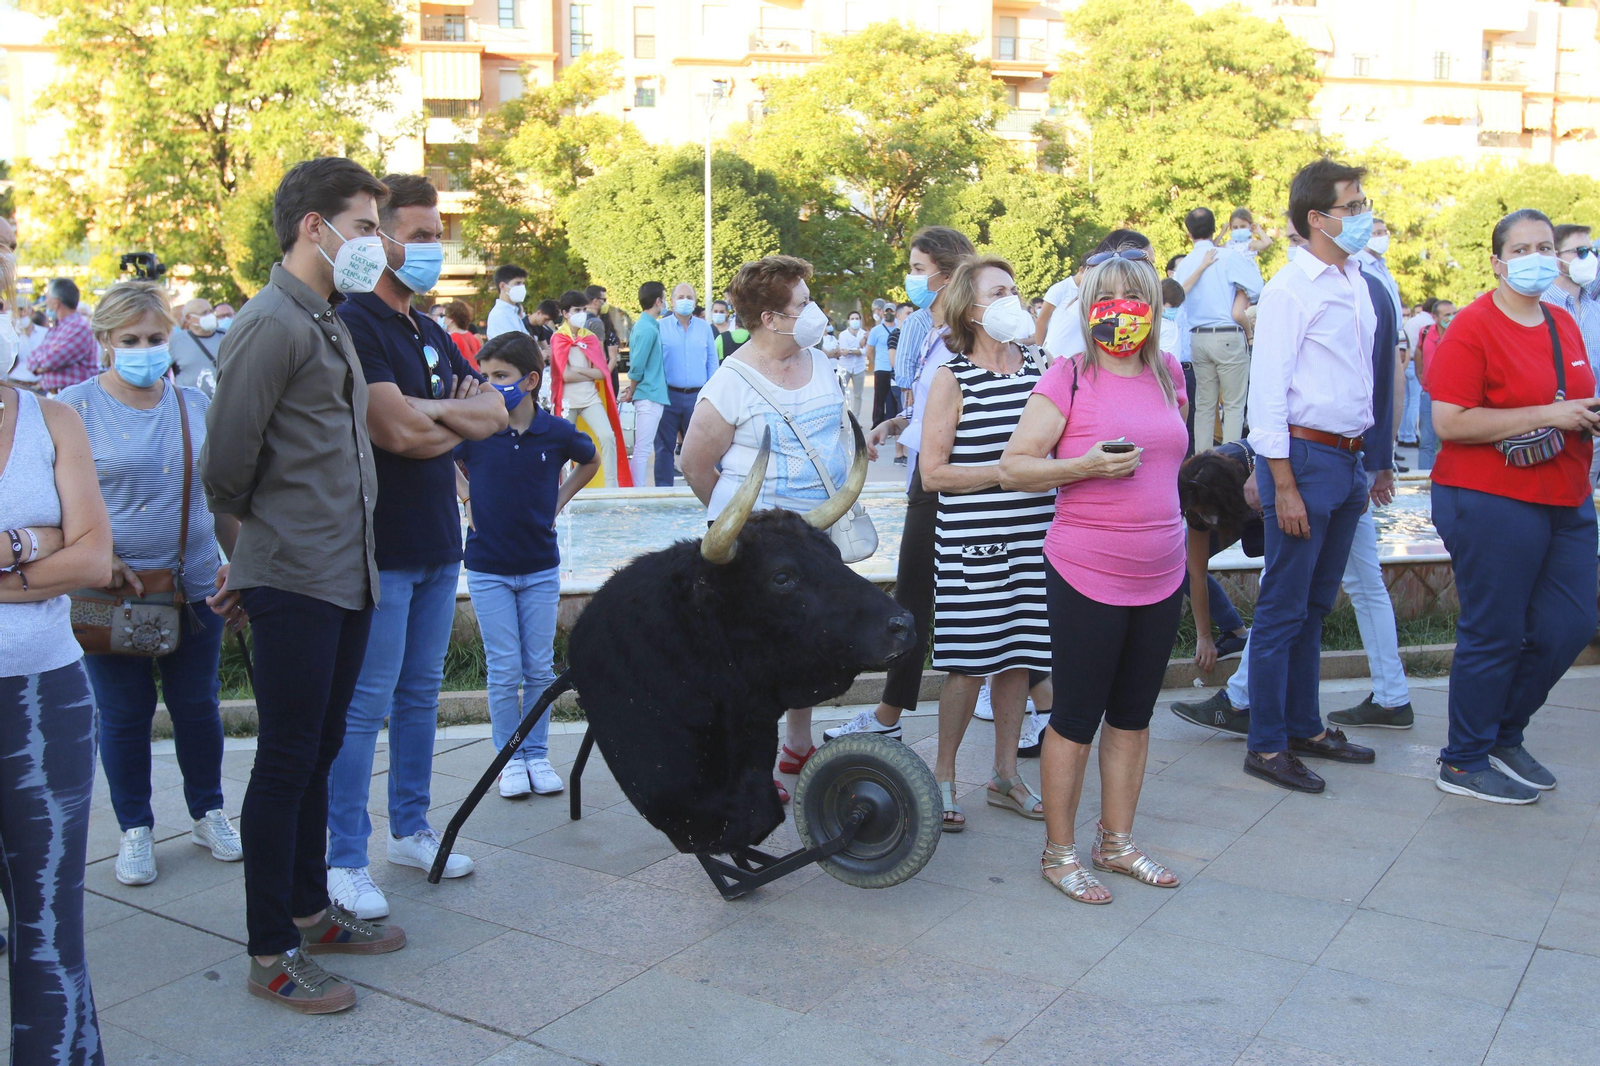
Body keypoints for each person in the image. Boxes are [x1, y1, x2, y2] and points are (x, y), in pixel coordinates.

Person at [201, 157, 405, 1013]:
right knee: (286, 760)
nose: (379, 243)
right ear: (313, 227)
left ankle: (310, 907)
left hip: (343, 574)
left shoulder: (328, 318)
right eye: (364, 225)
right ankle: (270, 951)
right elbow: (225, 468)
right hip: (295, 577)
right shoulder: (270, 324)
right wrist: (258, 559)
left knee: (318, 751)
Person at [325, 173, 507, 922]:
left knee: (419, 697)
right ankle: (342, 856)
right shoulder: (354, 322)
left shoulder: (428, 330)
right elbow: (391, 429)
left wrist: (444, 415)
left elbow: (497, 412)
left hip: (439, 539)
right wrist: (448, 417)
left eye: (438, 234)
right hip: (382, 545)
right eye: (422, 235)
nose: (434, 248)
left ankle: (410, 828)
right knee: (364, 704)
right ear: (383, 237)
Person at [999, 241, 1187, 902]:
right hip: (1086, 571)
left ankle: (1116, 842)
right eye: (1105, 299)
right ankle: (1059, 852)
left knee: (1134, 717)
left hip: (1161, 572)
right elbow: (1015, 466)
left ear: (1153, 308)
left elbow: (1168, 464)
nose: (1120, 312)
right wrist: (1083, 468)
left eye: (1133, 299)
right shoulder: (1068, 377)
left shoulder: (1169, 371)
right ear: (1086, 308)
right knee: (1075, 717)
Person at [60, 281, 245, 890]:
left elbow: (219, 497)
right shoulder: (73, 409)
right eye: (131, 339)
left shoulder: (193, 404)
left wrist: (238, 563)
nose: (145, 349)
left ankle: (207, 811)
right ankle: (135, 827)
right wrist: (96, 556)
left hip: (192, 586)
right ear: (107, 341)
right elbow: (59, 501)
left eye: (156, 338)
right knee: (123, 713)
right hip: (111, 588)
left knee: (197, 707)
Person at [681, 255, 876, 798]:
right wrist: (737, 529)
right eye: (802, 303)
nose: (814, 311)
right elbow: (696, 465)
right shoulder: (731, 382)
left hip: (816, 538)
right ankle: (751, 768)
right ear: (770, 318)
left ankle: (798, 744)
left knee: (808, 641)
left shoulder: (817, 360)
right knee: (756, 653)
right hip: (760, 552)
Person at [1428, 208, 1600, 804]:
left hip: (1567, 492)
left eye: (1544, 246)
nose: (1535, 257)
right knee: (1494, 630)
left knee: (1570, 624)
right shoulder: (1471, 326)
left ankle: (1503, 732)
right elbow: (1449, 421)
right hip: (1490, 496)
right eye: (1521, 248)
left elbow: (1572, 395)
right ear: (1497, 261)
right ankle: (1463, 757)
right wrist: (1549, 415)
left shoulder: (1562, 321)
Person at [0, 241, 113, 1063]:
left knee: (48, 932)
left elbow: (94, 560)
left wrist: (17, 544)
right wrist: (37, 545)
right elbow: (64, 555)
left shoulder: (51, 418)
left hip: (45, 698)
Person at [1240, 159, 1378, 793]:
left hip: (1347, 460)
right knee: (1281, 609)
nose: (1362, 214)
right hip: (1304, 458)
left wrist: (1370, 463)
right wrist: (1283, 483)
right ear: (1316, 218)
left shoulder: (1356, 280)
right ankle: (1266, 745)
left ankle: (1303, 725)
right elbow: (1266, 395)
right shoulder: (1289, 289)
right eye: (1351, 206)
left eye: (1361, 202)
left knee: (1315, 607)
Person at [918, 256, 1052, 830]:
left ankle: (1004, 775)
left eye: (1014, 289)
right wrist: (1011, 471)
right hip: (976, 541)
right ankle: (943, 777)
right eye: (999, 291)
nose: (1012, 299)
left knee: (1020, 657)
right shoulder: (953, 377)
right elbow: (933, 474)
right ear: (970, 309)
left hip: (1035, 538)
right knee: (970, 664)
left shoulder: (1042, 366)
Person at [833, 226, 976, 745]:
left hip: (957, 475)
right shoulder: (927, 326)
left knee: (921, 596)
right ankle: (891, 714)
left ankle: (888, 717)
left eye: (918, 269)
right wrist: (896, 424)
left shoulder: (969, 327)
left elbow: (968, 406)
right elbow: (931, 405)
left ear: (946, 271)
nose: (912, 279)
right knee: (919, 594)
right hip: (930, 469)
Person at [456, 333, 599, 798]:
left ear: (531, 380)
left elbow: (590, 460)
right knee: (503, 668)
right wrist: (467, 494)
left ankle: (536, 754)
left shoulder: (555, 431)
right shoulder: (477, 430)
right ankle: (509, 758)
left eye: (501, 377)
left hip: (539, 567)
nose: (491, 385)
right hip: (487, 567)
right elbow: (438, 456)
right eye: (487, 376)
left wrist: (559, 499)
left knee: (538, 668)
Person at [1175, 208, 1263, 446]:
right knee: (1234, 404)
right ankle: (1231, 462)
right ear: (1215, 227)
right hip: (1227, 334)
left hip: (1198, 338)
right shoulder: (1227, 256)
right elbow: (1257, 286)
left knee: (1205, 405)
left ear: (1188, 231)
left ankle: (1203, 461)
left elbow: (1177, 295)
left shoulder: (1185, 264)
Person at [550, 288, 630, 487]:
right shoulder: (558, 338)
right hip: (566, 400)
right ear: (565, 313)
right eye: (576, 310)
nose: (581, 314)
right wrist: (585, 372)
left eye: (583, 309)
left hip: (590, 398)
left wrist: (577, 369)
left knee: (607, 436)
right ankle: (564, 488)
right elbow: (564, 376)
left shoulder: (590, 338)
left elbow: (602, 373)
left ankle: (611, 487)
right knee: (562, 445)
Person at [1543, 223, 1600, 486]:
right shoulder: (1538, 306)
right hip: (1560, 434)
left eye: (1591, 251)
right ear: (1554, 257)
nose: (1588, 258)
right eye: (1579, 251)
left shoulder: (1595, 307)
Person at [654, 282, 718, 488]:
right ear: (671, 302)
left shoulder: (705, 328)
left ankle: (700, 491)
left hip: (697, 397)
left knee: (700, 448)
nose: (685, 301)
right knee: (664, 447)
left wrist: (710, 394)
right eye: (680, 297)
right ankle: (663, 493)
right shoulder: (660, 327)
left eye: (689, 297)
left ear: (695, 301)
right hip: (668, 395)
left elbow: (711, 361)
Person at [622, 281, 667, 487]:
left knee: (643, 448)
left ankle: (637, 490)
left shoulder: (647, 326)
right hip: (649, 395)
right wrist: (631, 389)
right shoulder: (647, 329)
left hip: (650, 394)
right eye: (664, 298)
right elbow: (637, 365)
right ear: (658, 301)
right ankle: (637, 491)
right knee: (642, 449)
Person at [28, 278, 100, 394]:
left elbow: (53, 360)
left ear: (56, 302)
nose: (45, 302)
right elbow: (32, 357)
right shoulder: (57, 328)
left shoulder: (79, 327)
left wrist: (42, 364)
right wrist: (43, 362)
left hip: (75, 397)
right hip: (54, 394)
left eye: (47, 297)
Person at [1414, 299, 1455, 471]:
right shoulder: (1425, 332)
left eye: (1454, 314)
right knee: (1427, 443)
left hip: (1452, 398)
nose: (1451, 318)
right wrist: (1422, 378)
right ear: (1435, 317)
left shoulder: (1458, 333)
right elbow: (1418, 355)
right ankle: (1424, 482)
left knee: (1451, 444)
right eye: (1447, 315)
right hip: (1429, 395)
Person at [168, 297, 225, 396]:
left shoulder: (226, 336)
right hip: (191, 406)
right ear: (189, 318)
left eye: (211, 311)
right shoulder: (175, 342)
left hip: (224, 405)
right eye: (204, 313)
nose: (210, 316)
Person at [836, 309, 869, 421]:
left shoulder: (864, 334)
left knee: (858, 395)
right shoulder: (843, 335)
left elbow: (865, 351)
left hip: (859, 368)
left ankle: (855, 420)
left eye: (857, 319)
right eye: (852, 319)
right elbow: (843, 352)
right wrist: (855, 351)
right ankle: (838, 419)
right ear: (848, 321)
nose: (855, 321)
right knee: (841, 394)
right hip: (845, 367)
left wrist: (850, 351)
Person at [868, 301, 897, 427]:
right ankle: (877, 423)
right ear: (883, 313)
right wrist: (875, 363)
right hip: (881, 368)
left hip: (895, 369)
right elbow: (869, 350)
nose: (889, 313)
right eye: (887, 311)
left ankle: (890, 423)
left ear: (895, 313)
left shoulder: (899, 328)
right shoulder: (876, 330)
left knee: (893, 398)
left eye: (891, 311)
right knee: (879, 398)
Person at [486, 265, 529, 339]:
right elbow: (514, 346)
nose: (522, 287)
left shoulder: (513, 313)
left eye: (523, 283)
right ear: (502, 286)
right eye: (517, 283)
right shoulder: (499, 315)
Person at [584, 285, 621, 371]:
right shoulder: (596, 322)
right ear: (596, 301)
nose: (605, 303)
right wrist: (604, 375)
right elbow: (599, 353)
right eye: (604, 300)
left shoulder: (578, 320)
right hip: (595, 371)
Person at [444, 301, 483, 370]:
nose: (442, 319)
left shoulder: (453, 338)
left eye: (443, 316)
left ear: (451, 319)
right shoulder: (471, 336)